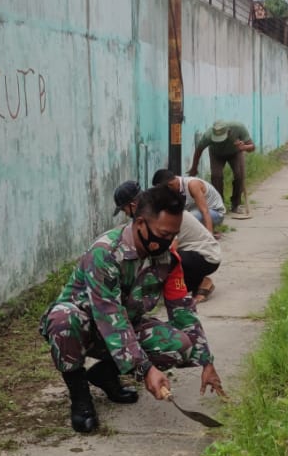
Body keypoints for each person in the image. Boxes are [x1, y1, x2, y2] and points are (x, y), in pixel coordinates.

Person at [41, 184, 224, 433]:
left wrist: (206, 361)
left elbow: (183, 309)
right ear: (140, 223)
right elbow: (109, 317)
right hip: (86, 325)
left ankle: (105, 375)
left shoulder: (167, 258)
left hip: (126, 324)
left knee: (182, 346)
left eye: (173, 234)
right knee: (63, 319)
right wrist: (146, 369)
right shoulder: (105, 254)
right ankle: (80, 396)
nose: (168, 240)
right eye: (163, 233)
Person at [115, 180, 222, 305]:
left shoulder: (160, 214)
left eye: (124, 210)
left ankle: (202, 282)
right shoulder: (153, 210)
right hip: (193, 253)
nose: (127, 214)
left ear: (133, 205)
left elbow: (171, 247)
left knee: (166, 260)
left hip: (206, 256)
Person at [188, 120, 255, 219]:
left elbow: (252, 147)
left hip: (235, 153)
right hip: (216, 155)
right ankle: (219, 205)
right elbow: (199, 151)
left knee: (239, 175)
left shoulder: (239, 127)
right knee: (216, 176)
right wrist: (194, 167)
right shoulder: (208, 136)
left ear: (228, 132)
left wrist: (244, 147)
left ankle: (236, 204)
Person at [152, 168, 225, 233]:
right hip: (198, 212)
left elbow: (205, 211)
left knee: (184, 220)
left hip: (216, 213)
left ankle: (206, 232)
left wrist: (210, 237)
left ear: (169, 185)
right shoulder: (174, 185)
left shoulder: (193, 185)